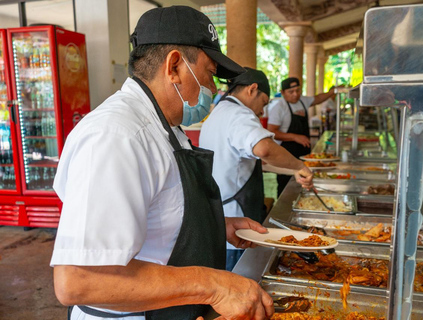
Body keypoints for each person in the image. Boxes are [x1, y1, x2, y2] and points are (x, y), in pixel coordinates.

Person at [50, 6, 274, 320]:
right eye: (210, 74)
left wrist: (216, 227)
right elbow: (79, 279)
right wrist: (212, 284)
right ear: (174, 66)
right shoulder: (116, 136)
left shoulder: (167, 127)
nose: (213, 89)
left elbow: (154, 214)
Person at [199, 68, 314, 271]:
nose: (262, 111)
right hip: (236, 225)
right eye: (264, 103)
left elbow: (254, 162)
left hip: (222, 218)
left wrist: (293, 172)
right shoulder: (239, 114)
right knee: (240, 278)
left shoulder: (219, 111)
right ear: (252, 90)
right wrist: (299, 165)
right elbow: (264, 149)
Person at [267, 77, 336, 196]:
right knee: (286, 187)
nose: (295, 94)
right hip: (286, 153)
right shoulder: (279, 108)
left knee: (304, 183)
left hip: (303, 152)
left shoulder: (302, 101)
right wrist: (295, 137)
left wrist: (332, 92)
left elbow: (318, 98)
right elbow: (272, 132)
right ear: (283, 92)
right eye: (291, 92)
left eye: (298, 90)